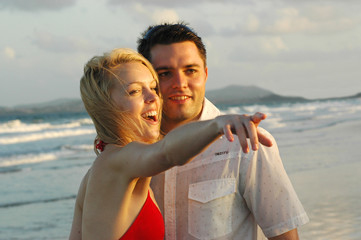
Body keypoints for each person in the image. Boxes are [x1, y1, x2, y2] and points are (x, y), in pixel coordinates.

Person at [68, 48, 270, 240]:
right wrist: (217, 124)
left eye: (154, 88)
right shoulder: (116, 161)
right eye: (134, 91)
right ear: (106, 107)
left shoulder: (99, 172)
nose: (153, 98)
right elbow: (167, 153)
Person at [137, 22, 309, 240]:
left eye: (190, 70)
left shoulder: (245, 143)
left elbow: (284, 235)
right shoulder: (134, 150)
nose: (180, 83)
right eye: (165, 74)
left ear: (205, 74)